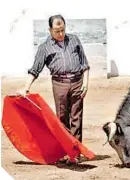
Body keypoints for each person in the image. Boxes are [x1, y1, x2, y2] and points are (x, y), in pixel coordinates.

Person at [18, 14, 90, 164]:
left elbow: (84, 63)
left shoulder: (74, 40)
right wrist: (26, 88)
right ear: (50, 30)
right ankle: (66, 151)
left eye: (63, 30)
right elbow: (35, 70)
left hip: (77, 81)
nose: (61, 33)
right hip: (60, 83)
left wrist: (86, 82)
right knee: (62, 118)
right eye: (57, 31)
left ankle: (75, 154)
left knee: (77, 117)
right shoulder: (45, 47)